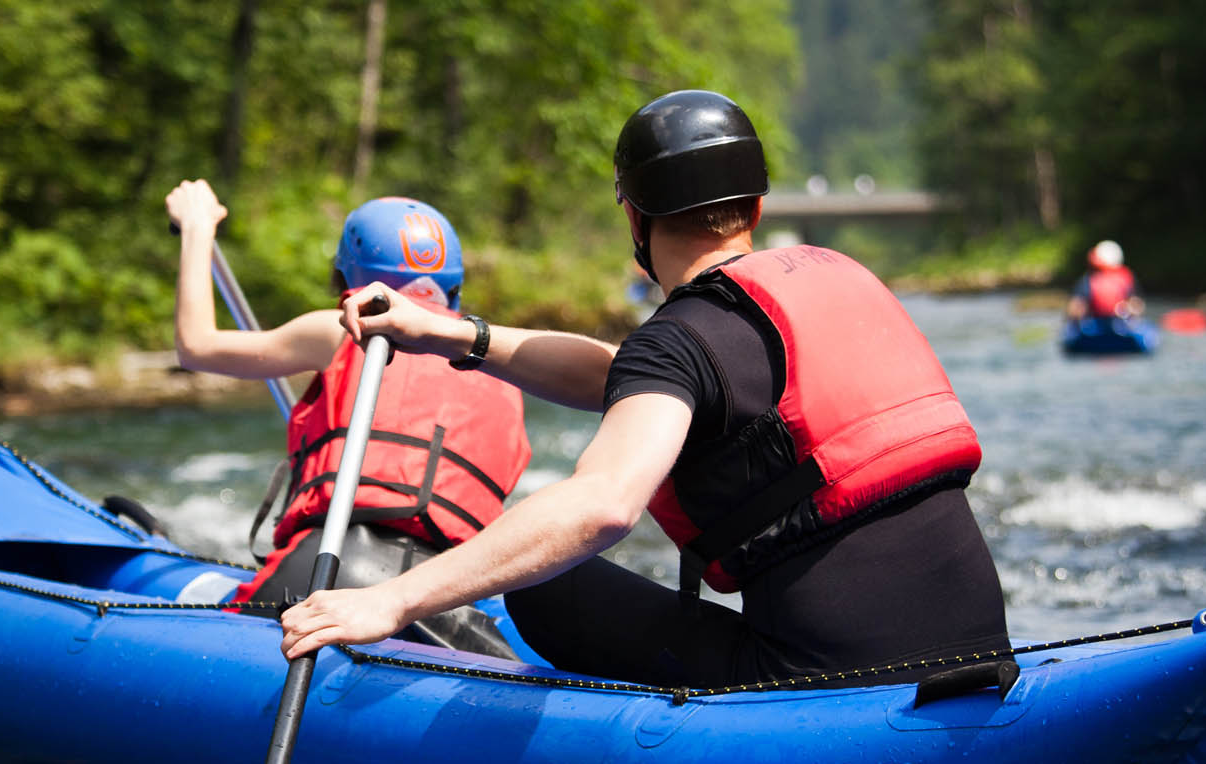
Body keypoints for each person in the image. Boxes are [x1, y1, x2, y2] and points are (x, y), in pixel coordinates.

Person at [279, 90, 1010, 689]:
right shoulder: (829, 284)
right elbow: (626, 377)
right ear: (754, 209)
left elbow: (602, 506)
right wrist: (455, 336)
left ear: (635, 216)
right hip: (977, 648)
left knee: (545, 586)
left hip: (824, 679)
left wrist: (393, 599)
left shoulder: (680, 343)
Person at [166, 181, 531, 657]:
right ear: (454, 287)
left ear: (347, 279)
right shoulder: (500, 361)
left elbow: (196, 346)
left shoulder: (343, 328)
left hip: (325, 568)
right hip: (444, 596)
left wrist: (197, 227)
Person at [1066, 240, 1144, 321]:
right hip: (1118, 324)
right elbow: (1137, 306)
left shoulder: (1089, 278)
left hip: (1094, 324)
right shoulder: (1127, 277)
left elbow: (1075, 307)